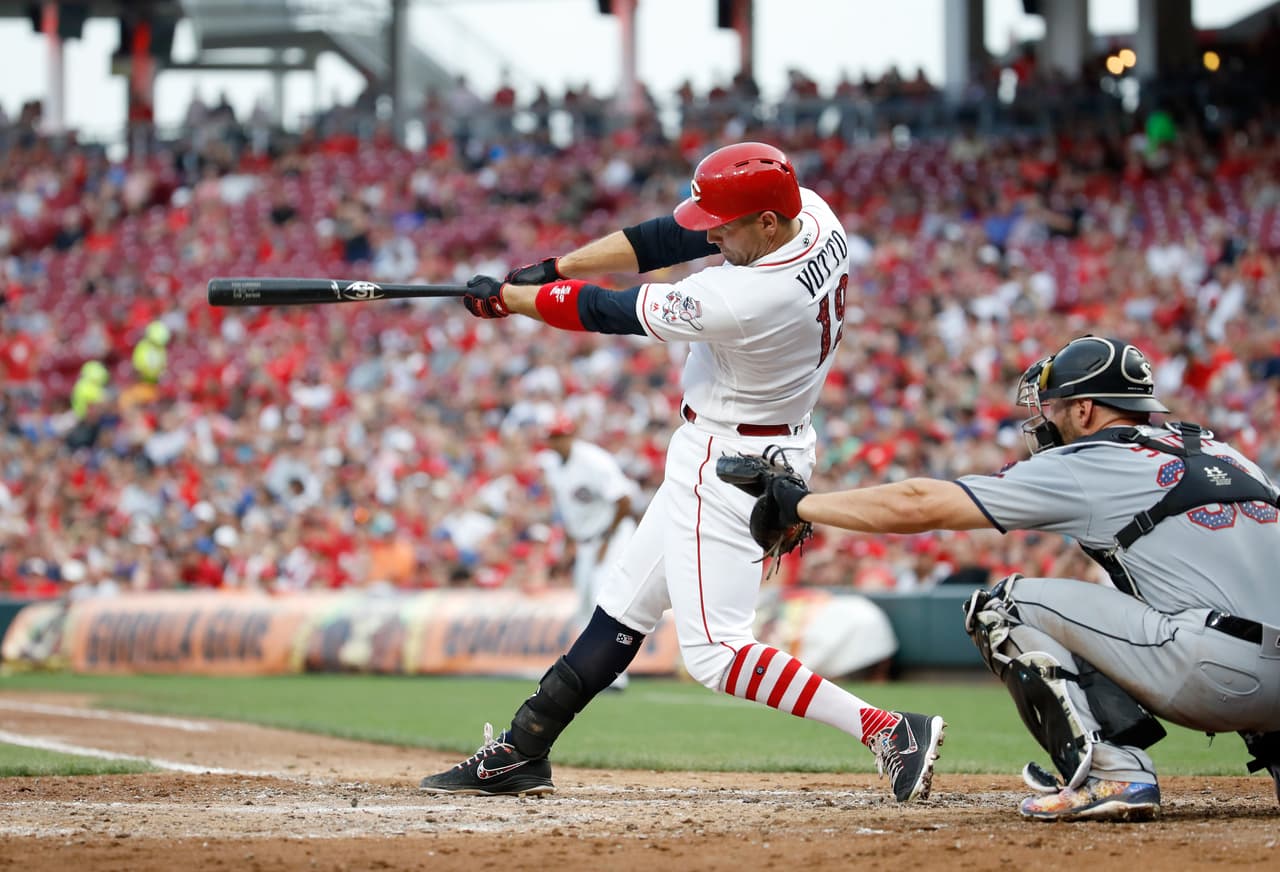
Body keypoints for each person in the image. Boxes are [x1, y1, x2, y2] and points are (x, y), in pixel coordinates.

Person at [418, 141, 946, 801]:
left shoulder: (740, 297)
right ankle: (521, 751)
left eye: (724, 227)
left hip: (726, 460)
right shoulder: (812, 213)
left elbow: (605, 311)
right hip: (765, 441)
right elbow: (668, 237)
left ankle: (886, 728)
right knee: (624, 605)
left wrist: (513, 300)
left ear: (767, 223)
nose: (711, 237)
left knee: (716, 653)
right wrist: (554, 267)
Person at [730, 335, 1280, 821]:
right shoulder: (1225, 453)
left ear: (1085, 409)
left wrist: (801, 504)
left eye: (1055, 406)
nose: (1047, 419)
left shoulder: (1093, 459)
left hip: (1220, 679)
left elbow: (922, 503)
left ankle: (1113, 774)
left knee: (1002, 607)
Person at [539, 414, 639, 689]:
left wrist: (606, 539)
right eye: (553, 437)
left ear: (571, 435)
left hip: (613, 535)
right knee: (584, 605)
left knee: (603, 600)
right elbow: (567, 508)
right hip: (585, 541)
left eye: (562, 435)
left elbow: (624, 500)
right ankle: (589, 670)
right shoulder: (552, 465)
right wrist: (568, 544)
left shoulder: (594, 461)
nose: (558, 441)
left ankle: (615, 677)